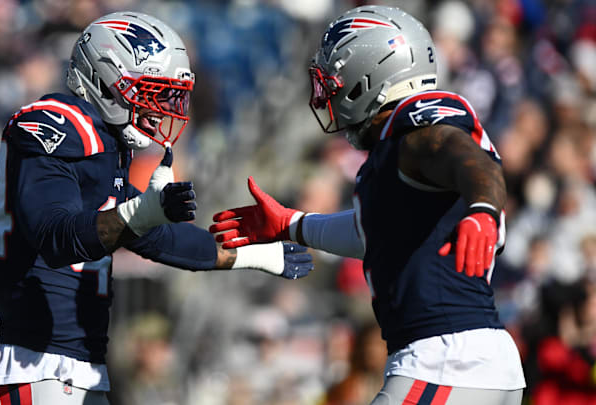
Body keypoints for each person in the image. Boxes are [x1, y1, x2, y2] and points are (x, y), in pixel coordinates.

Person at [0, 11, 313, 405]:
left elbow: (158, 237)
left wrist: (253, 255)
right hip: (38, 368)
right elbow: (56, 236)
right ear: (104, 79)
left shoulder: (102, 145)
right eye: (149, 91)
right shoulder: (56, 124)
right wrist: (144, 212)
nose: (160, 107)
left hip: (66, 371)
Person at [210, 6, 525, 404]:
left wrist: (483, 209)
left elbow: (463, 155)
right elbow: (373, 233)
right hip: (469, 361)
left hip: (443, 359)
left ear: (370, 75)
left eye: (335, 81)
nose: (329, 94)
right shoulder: (393, 149)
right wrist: (293, 225)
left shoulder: (419, 123)